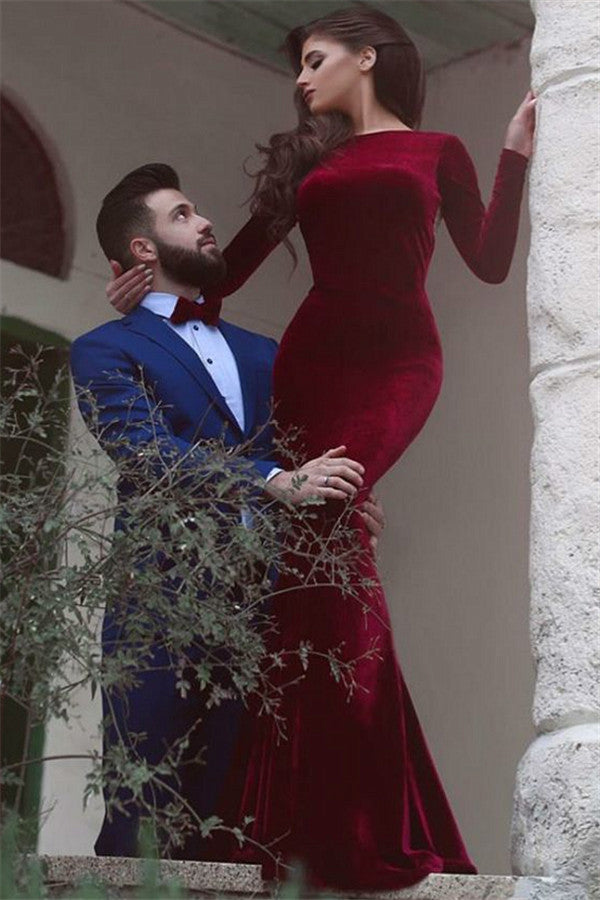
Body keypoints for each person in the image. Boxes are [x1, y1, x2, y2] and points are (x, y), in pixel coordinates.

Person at [106, 3, 535, 889]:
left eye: (313, 60)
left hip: (398, 363)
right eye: (298, 67)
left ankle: (342, 816)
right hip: (313, 364)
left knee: (331, 538)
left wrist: (516, 155)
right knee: (318, 564)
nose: (301, 80)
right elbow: (224, 281)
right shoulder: (310, 160)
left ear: (365, 57)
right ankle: (310, 816)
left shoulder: (439, 152)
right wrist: (147, 297)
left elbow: (491, 260)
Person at [71, 163, 384, 859]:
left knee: (242, 823)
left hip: (267, 611)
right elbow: (146, 453)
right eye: (182, 215)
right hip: (159, 606)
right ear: (143, 248)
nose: (206, 221)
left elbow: (305, 447)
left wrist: (345, 499)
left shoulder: (262, 351)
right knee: (143, 817)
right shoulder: (101, 349)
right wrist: (271, 479)